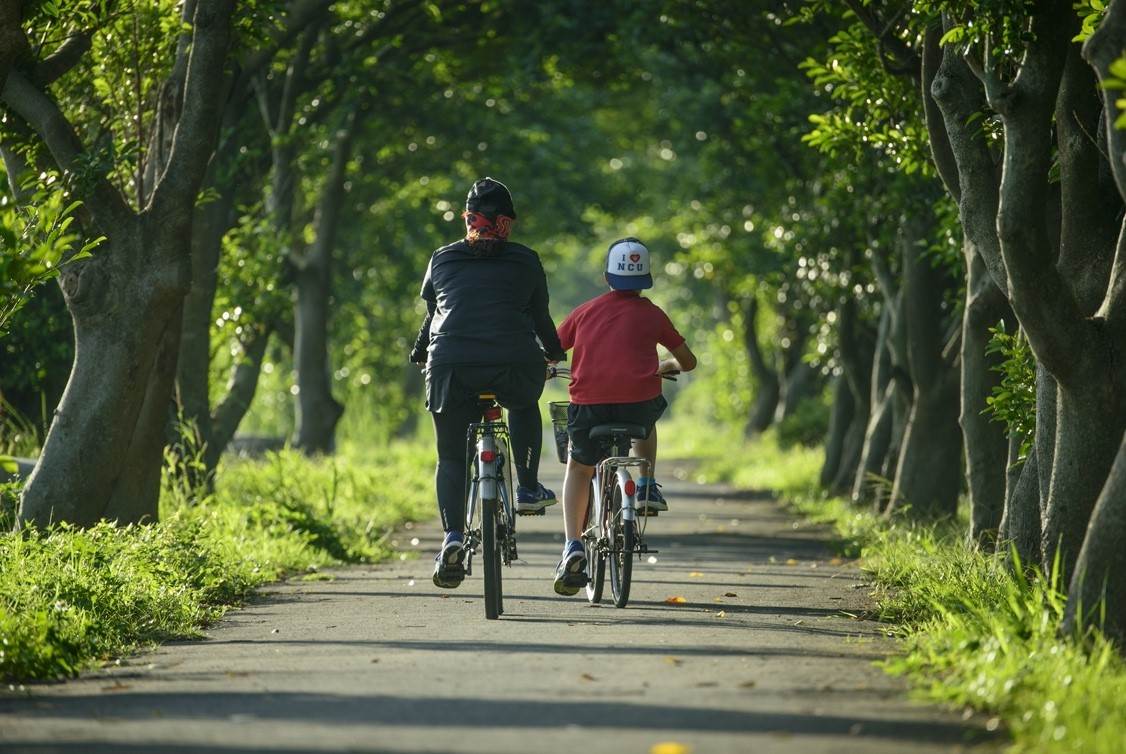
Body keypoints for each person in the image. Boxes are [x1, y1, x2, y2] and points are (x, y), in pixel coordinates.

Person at [410, 177, 565, 589]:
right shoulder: (526, 260)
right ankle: (528, 488)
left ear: (467, 221)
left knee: (450, 458)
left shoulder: (442, 259)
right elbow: (540, 318)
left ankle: (453, 537)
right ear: (506, 224)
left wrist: (420, 349)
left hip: (450, 365)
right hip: (512, 360)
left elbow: (436, 311)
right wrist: (555, 353)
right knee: (524, 401)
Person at [551, 237, 697, 596]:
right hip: (637, 406)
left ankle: (572, 546)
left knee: (580, 469)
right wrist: (664, 366)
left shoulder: (584, 312)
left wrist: (547, 367)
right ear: (646, 278)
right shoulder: (653, 314)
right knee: (649, 409)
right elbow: (689, 362)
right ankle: (645, 482)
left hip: (590, 405)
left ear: (606, 276)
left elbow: (551, 352)